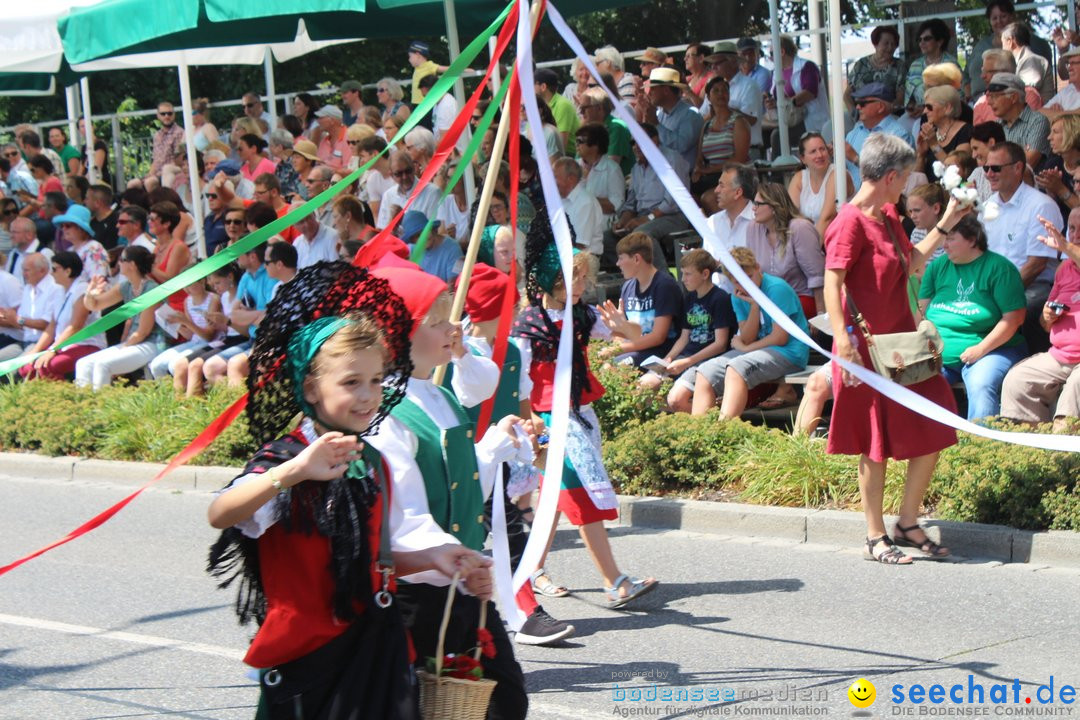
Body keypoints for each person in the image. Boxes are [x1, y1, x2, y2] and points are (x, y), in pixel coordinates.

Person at [207, 261, 490, 718]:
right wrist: (296, 470)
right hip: (311, 658)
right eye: (351, 382)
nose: (368, 395)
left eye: (376, 380)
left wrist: (436, 560)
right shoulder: (288, 455)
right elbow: (221, 512)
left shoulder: (367, 458)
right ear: (312, 389)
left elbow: (370, 563)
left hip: (375, 646)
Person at [366, 266, 530, 720]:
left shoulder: (436, 395)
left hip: (459, 579)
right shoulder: (386, 412)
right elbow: (407, 513)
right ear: (397, 331)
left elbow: (454, 479)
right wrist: (454, 557)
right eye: (437, 320)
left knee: (505, 699)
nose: (452, 328)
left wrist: (491, 447)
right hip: (417, 593)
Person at [823, 132, 966, 565]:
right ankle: (873, 535)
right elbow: (832, 283)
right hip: (864, 351)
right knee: (874, 442)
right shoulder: (848, 221)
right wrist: (843, 343)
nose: (905, 187)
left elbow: (913, 264)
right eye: (903, 178)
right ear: (889, 176)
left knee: (936, 426)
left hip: (904, 348)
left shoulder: (887, 214)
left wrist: (947, 222)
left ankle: (906, 521)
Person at [512, 222, 659, 610]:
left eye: (582, 277)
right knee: (578, 493)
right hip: (547, 417)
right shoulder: (527, 325)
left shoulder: (582, 315)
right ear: (550, 278)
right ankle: (615, 582)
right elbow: (520, 381)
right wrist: (531, 423)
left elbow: (633, 333)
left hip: (579, 412)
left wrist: (621, 325)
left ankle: (532, 570)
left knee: (552, 497)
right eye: (571, 278)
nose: (580, 285)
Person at [918, 215, 1027, 421]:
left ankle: (980, 445)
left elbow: (1014, 319)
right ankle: (926, 445)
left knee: (980, 383)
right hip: (939, 353)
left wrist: (981, 349)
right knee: (917, 381)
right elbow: (920, 314)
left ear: (972, 240)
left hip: (993, 349)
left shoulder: (999, 268)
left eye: (950, 238)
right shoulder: (937, 267)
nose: (944, 245)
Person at [688, 246, 809, 418]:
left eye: (749, 277)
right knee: (706, 370)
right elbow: (747, 337)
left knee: (737, 367)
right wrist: (754, 306)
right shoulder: (737, 296)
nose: (745, 284)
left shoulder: (776, 288)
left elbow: (780, 338)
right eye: (737, 281)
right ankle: (700, 433)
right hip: (760, 349)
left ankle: (724, 432)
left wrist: (745, 349)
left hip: (790, 352)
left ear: (758, 267)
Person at [1000, 211, 1080, 431]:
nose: (1076, 235)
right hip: (1061, 356)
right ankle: (1032, 453)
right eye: (1072, 229)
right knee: (1018, 380)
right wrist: (1048, 317)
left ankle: (1063, 459)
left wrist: (1065, 247)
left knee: (1076, 385)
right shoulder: (1065, 269)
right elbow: (1047, 326)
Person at [985, 141, 1063, 351]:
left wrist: (1000, 296)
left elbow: (1036, 265)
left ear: (1018, 167)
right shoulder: (988, 205)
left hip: (1034, 288)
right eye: (986, 168)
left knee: (1022, 308)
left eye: (996, 168)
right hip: (992, 288)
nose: (989, 174)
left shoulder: (1041, 205)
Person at [642, 249, 735, 407]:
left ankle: (707, 425)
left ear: (705, 274)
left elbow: (720, 344)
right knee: (644, 387)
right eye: (682, 273)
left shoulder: (720, 299)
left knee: (676, 399)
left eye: (688, 274)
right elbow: (685, 337)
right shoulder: (689, 298)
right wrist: (668, 359)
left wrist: (687, 362)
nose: (683, 279)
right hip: (685, 358)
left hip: (705, 360)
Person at [604, 124, 691, 271]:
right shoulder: (636, 168)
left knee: (642, 234)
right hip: (644, 217)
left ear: (655, 140)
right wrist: (623, 221)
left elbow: (673, 202)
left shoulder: (671, 159)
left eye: (640, 141)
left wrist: (647, 218)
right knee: (608, 238)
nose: (636, 146)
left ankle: (661, 280)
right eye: (633, 143)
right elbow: (631, 204)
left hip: (673, 216)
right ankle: (629, 280)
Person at [75, 245, 163, 389]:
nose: (118, 263)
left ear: (132, 265)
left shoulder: (151, 290)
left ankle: (100, 407)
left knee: (103, 364)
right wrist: (90, 293)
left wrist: (122, 349)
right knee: (83, 364)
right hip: (134, 342)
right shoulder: (126, 286)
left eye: (122, 260)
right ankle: (85, 405)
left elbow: (143, 332)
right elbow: (95, 305)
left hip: (152, 343)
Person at [18, 251, 104, 380]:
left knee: (47, 366)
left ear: (67, 271)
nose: (51, 273)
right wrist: (35, 350)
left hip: (86, 344)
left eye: (54, 269)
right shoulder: (60, 291)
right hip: (63, 346)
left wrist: (52, 350)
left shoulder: (82, 290)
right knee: (26, 368)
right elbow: (51, 327)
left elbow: (75, 326)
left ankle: (63, 398)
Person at [749, 181, 825, 323]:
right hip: (770, 303)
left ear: (774, 207)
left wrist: (821, 317)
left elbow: (817, 277)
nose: (753, 208)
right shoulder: (753, 228)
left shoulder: (799, 228)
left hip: (800, 299)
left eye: (758, 204)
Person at [607, 232, 683, 367]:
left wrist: (618, 350)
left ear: (636, 259)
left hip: (660, 352)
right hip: (635, 349)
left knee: (614, 367)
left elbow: (658, 337)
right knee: (602, 364)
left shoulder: (664, 286)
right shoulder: (627, 287)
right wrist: (617, 339)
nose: (617, 263)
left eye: (621, 258)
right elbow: (621, 332)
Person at [964, 0, 1055, 99]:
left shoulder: (1033, 51)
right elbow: (965, 75)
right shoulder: (980, 45)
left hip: (1013, 104)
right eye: (994, 18)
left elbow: (1025, 90)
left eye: (1003, 16)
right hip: (980, 102)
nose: (999, 21)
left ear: (1013, 16)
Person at [148, 275, 223, 381]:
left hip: (212, 342)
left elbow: (209, 336)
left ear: (202, 282)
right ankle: (167, 393)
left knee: (175, 365)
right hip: (195, 341)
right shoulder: (187, 301)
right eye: (184, 286)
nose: (186, 289)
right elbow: (191, 335)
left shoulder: (213, 300)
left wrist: (186, 322)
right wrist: (176, 326)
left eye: (190, 285)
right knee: (156, 365)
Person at [692, 76, 751, 207]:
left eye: (724, 90)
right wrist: (698, 169)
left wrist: (709, 170)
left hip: (735, 177)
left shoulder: (738, 122)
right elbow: (699, 157)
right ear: (708, 96)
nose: (721, 94)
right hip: (712, 178)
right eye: (716, 91)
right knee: (689, 200)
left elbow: (740, 158)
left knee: (709, 199)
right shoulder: (707, 125)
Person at [844, 82, 914, 188]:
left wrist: (856, 158)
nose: (857, 107)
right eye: (856, 102)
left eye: (863, 103)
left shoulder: (898, 136)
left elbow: (890, 176)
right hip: (852, 201)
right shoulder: (854, 132)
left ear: (880, 107)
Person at [704, 163, 761, 288]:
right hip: (716, 301)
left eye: (721, 185)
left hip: (748, 298)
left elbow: (761, 267)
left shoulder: (759, 221)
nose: (716, 190)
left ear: (738, 192)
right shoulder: (711, 223)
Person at [767, 35, 830, 148]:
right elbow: (775, 96)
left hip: (810, 121)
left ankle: (781, 165)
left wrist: (788, 103)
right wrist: (772, 102)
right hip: (789, 119)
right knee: (770, 133)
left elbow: (810, 92)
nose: (770, 58)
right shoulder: (776, 73)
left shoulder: (807, 66)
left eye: (771, 54)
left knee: (777, 136)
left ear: (781, 52)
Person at [0, 253, 61, 362]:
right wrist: (8, 317)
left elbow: (46, 324)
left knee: (15, 371)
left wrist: (17, 319)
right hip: (23, 342)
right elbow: (21, 324)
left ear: (42, 271)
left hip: (42, 344)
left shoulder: (54, 289)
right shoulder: (28, 288)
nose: (24, 274)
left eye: (27, 270)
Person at [789, 132, 851, 238]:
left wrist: (811, 251)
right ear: (802, 158)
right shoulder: (799, 178)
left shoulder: (838, 174)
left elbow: (826, 219)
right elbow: (790, 215)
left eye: (822, 149)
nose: (819, 155)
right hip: (807, 241)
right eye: (813, 151)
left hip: (835, 241)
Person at [987, 72, 1052, 168]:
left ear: (1013, 97)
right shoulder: (996, 125)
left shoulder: (1038, 121)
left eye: (995, 96)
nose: (989, 102)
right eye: (989, 96)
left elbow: (1027, 163)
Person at [644, 67, 704, 170]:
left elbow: (681, 146)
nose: (649, 92)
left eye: (653, 88)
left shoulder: (691, 114)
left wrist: (656, 124)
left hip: (684, 180)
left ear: (666, 90)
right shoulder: (659, 114)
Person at [903, 19, 959, 123]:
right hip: (916, 114)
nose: (922, 43)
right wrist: (911, 107)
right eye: (919, 40)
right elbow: (909, 97)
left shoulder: (951, 64)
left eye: (927, 39)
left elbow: (956, 98)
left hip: (944, 116)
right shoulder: (915, 65)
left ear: (940, 41)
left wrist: (926, 108)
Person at [575, 123, 625, 232]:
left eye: (581, 141)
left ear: (596, 144)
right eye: (576, 140)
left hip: (601, 227)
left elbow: (614, 206)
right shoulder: (573, 167)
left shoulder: (612, 169)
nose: (576, 144)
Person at [973, 49, 1043, 126]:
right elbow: (977, 135)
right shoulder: (981, 102)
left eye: (989, 72)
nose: (982, 76)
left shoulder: (1028, 95)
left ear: (1005, 72)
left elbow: (1030, 127)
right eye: (983, 71)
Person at [553, 157, 604, 258]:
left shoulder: (585, 202)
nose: (551, 181)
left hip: (584, 259)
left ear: (570, 178)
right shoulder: (560, 199)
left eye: (555, 177)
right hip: (563, 255)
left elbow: (580, 245)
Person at [916, 85, 972, 176]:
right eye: (924, 107)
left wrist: (934, 145)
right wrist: (921, 155)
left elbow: (957, 173)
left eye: (929, 107)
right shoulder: (930, 134)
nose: (924, 111)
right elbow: (918, 179)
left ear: (947, 108)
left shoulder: (966, 131)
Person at [845, 26, 903, 112]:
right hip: (860, 113)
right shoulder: (861, 64)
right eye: (886, 43)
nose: (890, 47)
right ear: (875, 44)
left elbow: (900, 99)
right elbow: (847, 95)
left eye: (893, 44)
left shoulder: (899, 66)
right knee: (830, 124)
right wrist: (854, 112)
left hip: (886, 115)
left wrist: (879, 113)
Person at [376, 152, 440, 229]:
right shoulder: (388, 195)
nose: (404, 177)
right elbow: (382, 230)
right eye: (398, 174)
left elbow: (435, 229)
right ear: (391, 175)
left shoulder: (432, 192)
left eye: (408, 171)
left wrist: (403, 219)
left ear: (414, 168)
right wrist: (392, 223)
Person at [1036, 112, 1080, 214]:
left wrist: (1060, 189)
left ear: (1072, 134)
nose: (1049, 138)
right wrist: (1050, 191)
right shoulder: (1052, 164)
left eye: (1055, 132)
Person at [1001, 22, 1055, 104]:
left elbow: (1027, 89)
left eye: (1003, 43)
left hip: (1039, 114)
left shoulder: (1031, 60)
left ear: (1010, 41)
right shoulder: (1026, 60)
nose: (1002, 48)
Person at [52, 204, 108, 282]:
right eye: (62, 225)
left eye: (68, 225)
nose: (63, 229)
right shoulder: (69, 251)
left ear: (81, 228)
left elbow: (99, 280)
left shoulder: (94, 248)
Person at [534, 68, 580, 152]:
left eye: (532, 84)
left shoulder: (562, 105)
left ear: (543, 87)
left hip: (567, 158)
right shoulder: (539, 105)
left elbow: (561, 146)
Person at [148, 102, 185, 181]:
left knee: (150, 182)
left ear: (174, 115)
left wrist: (159, 173)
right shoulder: (157, 135)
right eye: (163, 114)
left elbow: (179, 160)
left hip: (171, 171)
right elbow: (155, 160)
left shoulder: (179, 133)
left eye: (169, 113)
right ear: (158, 116)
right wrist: (150, 174)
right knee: (133, 183)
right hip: (157, 173)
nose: (166, 116)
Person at [1042, 48, 1080, 119]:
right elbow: (1039, 113)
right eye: (1068, 64)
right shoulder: (1068, 90)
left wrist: (1054, 113)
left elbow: (1078, 116)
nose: (1069, 68)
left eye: (1073, 63)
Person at [315, 106, 351, 175]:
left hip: (340, 183)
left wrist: (329, 171)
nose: (318, 121)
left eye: (321, 118)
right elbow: (318, 165)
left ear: (332, 121)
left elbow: (349, 171)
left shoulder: (348, 138)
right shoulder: (324, 141)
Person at [682, 43, 716, 107]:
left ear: (701, 58)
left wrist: (687, 89)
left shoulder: (711, 78)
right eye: (685, 56)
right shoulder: (688, 79)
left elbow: (702, 106)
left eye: (689, 56)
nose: (685, 59)